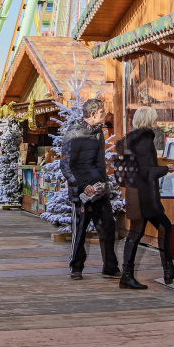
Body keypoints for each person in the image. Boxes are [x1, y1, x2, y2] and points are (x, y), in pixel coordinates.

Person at [119, 106, 174, 290]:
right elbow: (147, 171)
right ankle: (132, 275)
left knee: (154, 229)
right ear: (148, 120)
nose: (155, 122)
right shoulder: (145, 140)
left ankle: (166, 269)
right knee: (146, 231)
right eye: (154, 118)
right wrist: (168, 169)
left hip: (135, 192)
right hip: (145, 195)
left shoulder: (132, 139)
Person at [60, 98, 120, 280]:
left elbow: (98, 162)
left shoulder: (98, 132)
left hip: (100, 188)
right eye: (103, 112)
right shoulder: (74, 132)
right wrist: (81, 186)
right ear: (93, 114)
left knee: (108, 227)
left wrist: (103, 182)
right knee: (80, 229)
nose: (106, 115)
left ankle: (110, 267)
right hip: (82, 192)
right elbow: (66, 165)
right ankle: (76, 267)